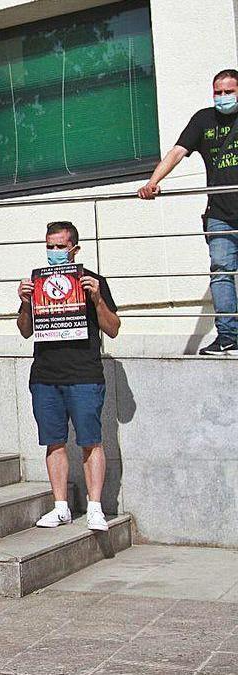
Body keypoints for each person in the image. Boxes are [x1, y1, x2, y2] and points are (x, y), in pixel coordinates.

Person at [17, 222, 120, 532]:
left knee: (91, 441)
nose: (54, 252)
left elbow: (113, 328)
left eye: (61, 247)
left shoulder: (94, 281)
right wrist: (24, 303)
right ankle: (60, 506)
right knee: (54, 442)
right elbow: (25, 331)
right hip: (45, 375)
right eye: (50, 246)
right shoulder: (38, 283)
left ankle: (95, 507)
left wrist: (97, 299)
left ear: (75, 248)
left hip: (84, 374)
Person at [138, 69, 238, 356]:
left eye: (228, 91)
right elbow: (177, 152)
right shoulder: (204, 119)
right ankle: (228, 336)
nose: (223, 97)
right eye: (218, 92)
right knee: (221, 272)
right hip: (219, 212)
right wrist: (153, 182)